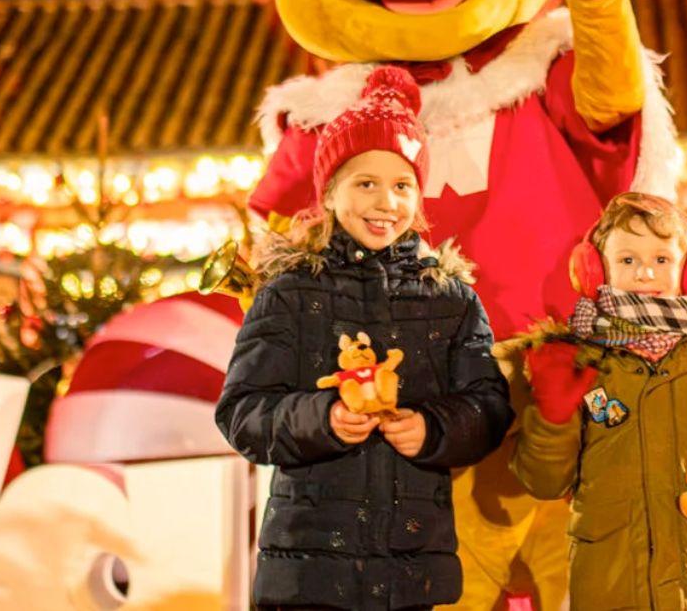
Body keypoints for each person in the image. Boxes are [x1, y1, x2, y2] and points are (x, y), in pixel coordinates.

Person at [215, 67, 513, 610]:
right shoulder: (286, 294)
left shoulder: (451, 300)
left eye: (401, 185)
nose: (385, 202)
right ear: (329, 192)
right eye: (365, 183)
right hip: (307, 576)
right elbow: (241, 412)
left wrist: (434, 428)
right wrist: (321, 418)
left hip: (412, 571)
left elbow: (490, 408)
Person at [506, 191, 687, 609]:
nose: (644, 272)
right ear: (594, 270)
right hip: (611, 588)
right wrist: (552, 418)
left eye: (661, 259)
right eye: (626, 260)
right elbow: (544, 481)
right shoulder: (581, 362)